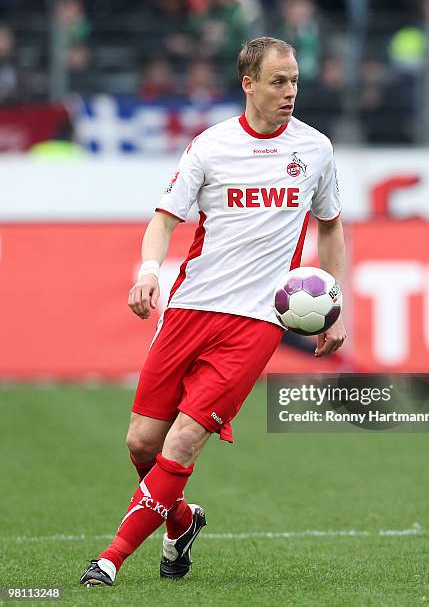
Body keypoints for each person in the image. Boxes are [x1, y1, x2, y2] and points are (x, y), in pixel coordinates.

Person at [79, 36, 346, 587]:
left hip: (256, 322)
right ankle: (180, 521)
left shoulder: (315, 149)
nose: (290, 91)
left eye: (295, 80)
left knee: (180, 443)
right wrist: (148, 273)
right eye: (278, 81)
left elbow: (331, 225)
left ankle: (109, 560)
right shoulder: (210, 146)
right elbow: (164, 219)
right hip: (189, 308)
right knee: (142, 443)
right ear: (247, 83)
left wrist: (334, 302)